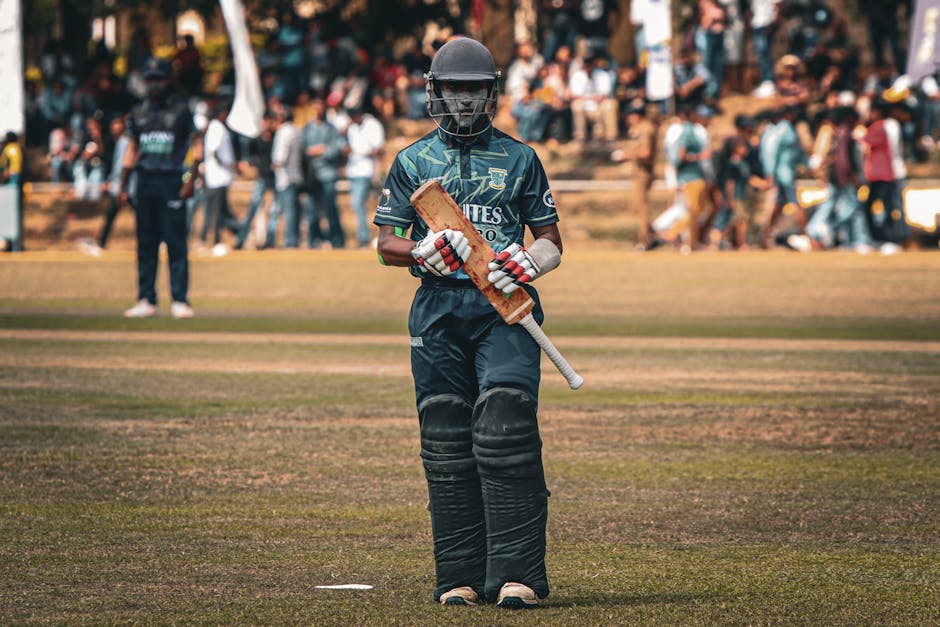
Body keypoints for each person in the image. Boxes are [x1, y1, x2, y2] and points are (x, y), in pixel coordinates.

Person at [373, 36, 563, 609]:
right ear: (435, 92)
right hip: (437, 310)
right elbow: (386, 243)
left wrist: (529, 261)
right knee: (446, 436)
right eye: (452, 90)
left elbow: (550, 240)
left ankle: (518, 576)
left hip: (503, 307)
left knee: (504, 423)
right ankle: (457, 576)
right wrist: (422, 252)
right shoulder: (411, 161)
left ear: (490, 94)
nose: (462, 101)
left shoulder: (520, 158)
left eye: (472, 91)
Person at [120, 57, 200, 320]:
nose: (154, 85)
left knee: (175, 243)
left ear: (168, 80)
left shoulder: (180, 110)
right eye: (150, 80)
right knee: (146, 244)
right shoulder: (138, 112)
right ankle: (146, 299)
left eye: (159, 80)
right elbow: (131, 151)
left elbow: (194, 153)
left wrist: (189, 180)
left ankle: (179, 299)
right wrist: (122, 185)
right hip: (145, 182)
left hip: (172, 181)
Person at [301, 96, 346, 249]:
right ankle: (315, 239)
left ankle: (337, 240)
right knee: (311, 210)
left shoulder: (332, 129)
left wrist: (321, 150)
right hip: (312, 176)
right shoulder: (307, 129)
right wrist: (314, 151)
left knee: (330, 208)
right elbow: (303, 150)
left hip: (328, 174)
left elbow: (337, 148)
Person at [200, 101, 241, 255]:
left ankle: (239, 234)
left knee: (221, 211)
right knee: (216, 212)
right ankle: (213, 240)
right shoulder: (217, 127)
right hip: (218, 177)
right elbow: (215, 151)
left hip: (217, 177)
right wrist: (228, 165)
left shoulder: (215, 127)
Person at [234, 111, 277, 250]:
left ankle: (269, 241)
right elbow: (250, 159)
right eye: (266, 121)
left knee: (274, 210)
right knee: (252, 208)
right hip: (262, 178)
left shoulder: (277, 139)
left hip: (275, 179)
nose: (268, 124)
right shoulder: (257, 140)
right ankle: (240, 239)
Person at [345, 105, 384, 248]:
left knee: (357, 203)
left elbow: (378, 149)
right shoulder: (352, 128)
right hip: (352, 170)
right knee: (356, 205)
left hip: (366, 170)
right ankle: (363, 236)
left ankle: (363, 238)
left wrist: (360, 152)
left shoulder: (373, 125)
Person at [269, 108, 304, 248]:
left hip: (285, 177)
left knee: (287, 211)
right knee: (294, 211)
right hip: (296, 175)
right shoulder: (296, 131)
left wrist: (274, 164)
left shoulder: (283, 132)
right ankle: (294, 239)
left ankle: (290, 241)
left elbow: (280, 157)